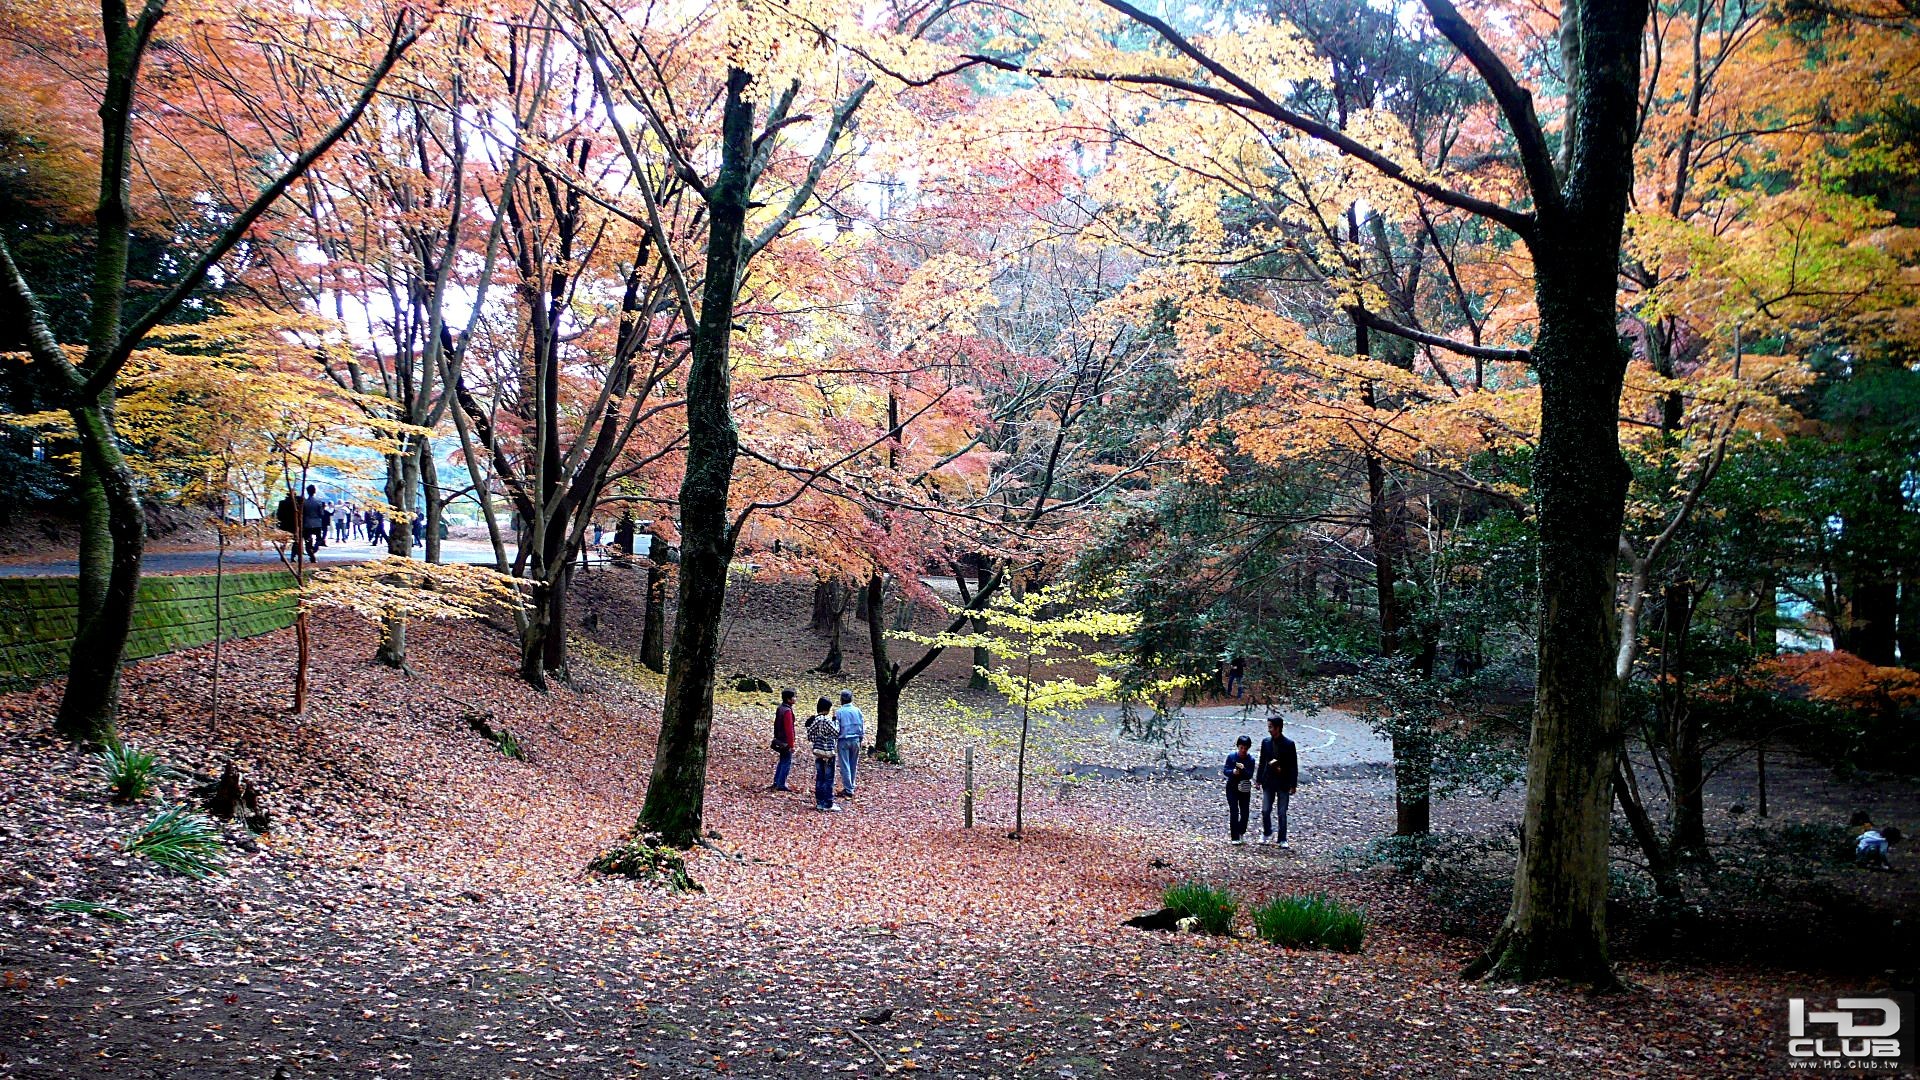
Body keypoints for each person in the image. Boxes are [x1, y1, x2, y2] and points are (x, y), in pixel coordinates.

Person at [1257, 715, 1299, 848]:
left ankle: (1282, 838)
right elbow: (1262, 761)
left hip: (1283, 782)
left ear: (1278, 728)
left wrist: (1293, 784)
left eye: (1270, 727)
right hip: (1268, 781)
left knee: (1282, 812)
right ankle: (1267, 831)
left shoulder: (1289, 744)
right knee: (1265, 810)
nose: (1269, 730)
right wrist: (1258, 779)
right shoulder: (1266, 742)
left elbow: (1293, 765)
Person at [806, 695, 840, 812]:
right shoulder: (826, 720)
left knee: (820, 777)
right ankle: (828, 803)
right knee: (829, 778)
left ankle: (819, 802)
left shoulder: (816, 720)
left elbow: (810, 735)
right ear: (827, 709)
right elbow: (836, 733)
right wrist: (836, 721)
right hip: (829, 752)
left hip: (818, 752)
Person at [833, 689, 865, 798]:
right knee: (853, 764)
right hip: (856, 739)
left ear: (841, 699)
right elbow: (861, 725)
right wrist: (861, 738)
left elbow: (836, 728)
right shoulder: (857, 711)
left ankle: (848, 788)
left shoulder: (839, 712)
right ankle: (851, 784)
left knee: (844, 764)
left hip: (844, 740)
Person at [1224, 735, 1256, 844]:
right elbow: (1225, 770)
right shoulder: (1231, 757)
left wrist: (1243, 770)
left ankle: (1241, 830)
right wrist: (1232, 772)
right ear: (1238, 746)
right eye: (1241, 747)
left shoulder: (1250, 759)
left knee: (1244, 812)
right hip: (1232, 787)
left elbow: (1250, 775)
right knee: (1234, 811)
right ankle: (1235, 837)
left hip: (1244, 788)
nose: (1243, 750)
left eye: (1245, 748)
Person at [770, 688, 798, 792]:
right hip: (785, 741)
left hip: (780, 739)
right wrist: (791, 744)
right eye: (794, 697)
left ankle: (777, 781)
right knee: (786, 761)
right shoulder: (787, 711)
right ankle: (781, 783)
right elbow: (789, 729)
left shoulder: (780, 708)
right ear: (788, 699)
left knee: (782, 761)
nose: (795, 699)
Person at [299, 484, 329, 560]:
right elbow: (321, 514)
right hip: (317, 523)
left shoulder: (304, 503)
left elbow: (302, 513)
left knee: (307, 540)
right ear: (314, 491)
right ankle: (314, 549)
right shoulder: (318, 502)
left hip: (306, 523)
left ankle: (310, 552)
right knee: (319, 539)